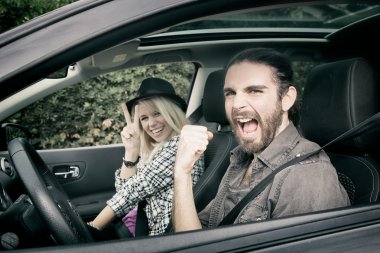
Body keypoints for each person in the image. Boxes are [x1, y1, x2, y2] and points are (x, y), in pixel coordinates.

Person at [172, 48, 350, 232]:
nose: (237, 104)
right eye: (230, 93)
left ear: (286, 99)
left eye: (254, 91)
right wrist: (182, 172)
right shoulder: (241, 158)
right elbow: (196, 238)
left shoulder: (307, 175)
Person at [88, 77, 204, 236]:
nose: (151, 124)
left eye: (157, 113)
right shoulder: (158, 147)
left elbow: (133, 191)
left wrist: (94, 227)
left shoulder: (180, 144)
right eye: (144, 118)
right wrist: (132, 150)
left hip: (162, 238)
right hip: (143, 230)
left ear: (172, 112)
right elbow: (124, 192)